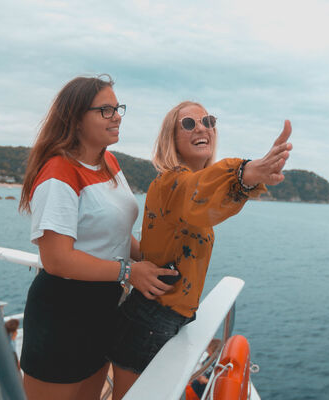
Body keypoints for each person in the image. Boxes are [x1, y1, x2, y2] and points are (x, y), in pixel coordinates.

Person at [107, 101, 292, 398]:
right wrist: (247, 173)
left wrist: (249, 178)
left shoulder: (191, 186)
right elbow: (198, 192)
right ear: (171, 138)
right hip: (148, 321)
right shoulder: (171, 183)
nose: (202, 128)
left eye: (208, 121)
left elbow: (206, 200)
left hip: (166, 319)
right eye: (188, 124)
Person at [18, 75, 178, 400]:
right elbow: (57, 259)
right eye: (106, 110)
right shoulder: (59, 173)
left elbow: (116, 232)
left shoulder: (108, 162)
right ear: (76, 119)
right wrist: (130, 272)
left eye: (118, 108)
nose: (116, 116)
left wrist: (153, 261)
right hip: (63, 313)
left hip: (104, 308)